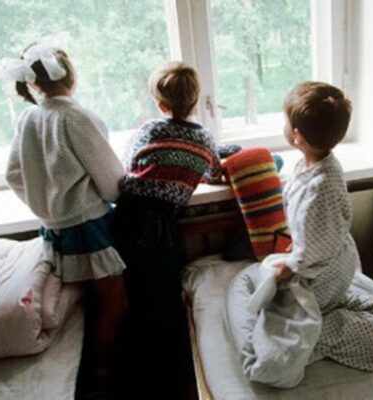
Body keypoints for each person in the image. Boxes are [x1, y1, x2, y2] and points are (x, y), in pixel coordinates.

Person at [0, 39, 128, 391]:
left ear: (33, 84)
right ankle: (100, 372)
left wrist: (44, 205)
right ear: (72, 77)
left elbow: (12, 174)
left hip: (54, 230)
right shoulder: (76, 117)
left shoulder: (29, 118)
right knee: (115, 303)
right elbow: (109, 176)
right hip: (89, 226)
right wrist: (116, 197)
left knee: (77, 306)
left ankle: (85, 371)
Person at [112, 61, 221, 396]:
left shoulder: (147, 130)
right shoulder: (204, 138)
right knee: (163, 297)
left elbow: (128, 165)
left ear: (160, 104)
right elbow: (214, 172)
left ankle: (140, 378)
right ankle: (169, 379)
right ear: (196, 101)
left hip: (126, 216)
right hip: (159, 223)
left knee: (134, 296)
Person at [274, 81, 373, 335]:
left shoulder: (319, 189)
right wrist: (298, 245)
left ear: (297, 136)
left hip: (327, 268)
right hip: (326, 255)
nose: (283, 127)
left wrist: (292, 265)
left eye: (285, 123)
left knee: (302, 325)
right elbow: (313, 228)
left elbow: (318, 246)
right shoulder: (312, 164)